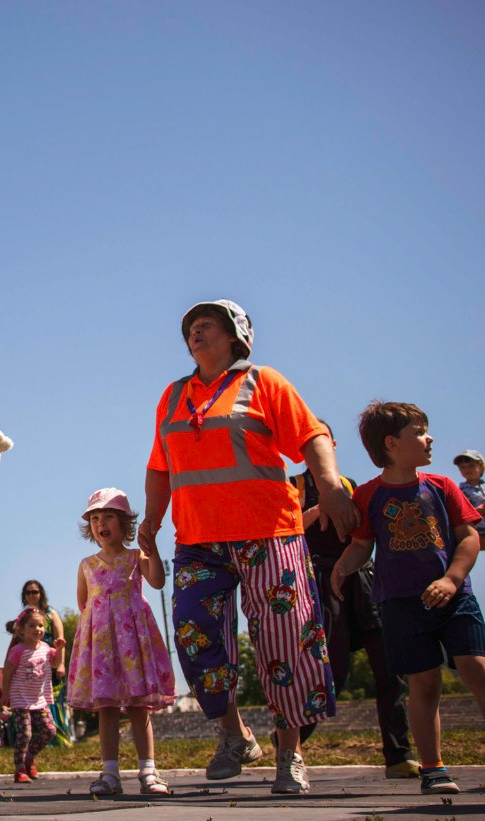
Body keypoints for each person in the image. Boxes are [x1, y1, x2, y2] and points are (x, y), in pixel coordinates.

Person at [139, 299, 358, 796]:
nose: (196, 332)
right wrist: (151, 521)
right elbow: (160, 465)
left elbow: (311, 433)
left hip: (268, 533)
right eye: (191, 327)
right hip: (198, 539)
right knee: (194, 637)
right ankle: (234, 734)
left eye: (207, 325)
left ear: (236, 335)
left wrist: (327, 483)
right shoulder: (173, 397)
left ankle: (290, 754)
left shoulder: (264, 382)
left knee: (283, 641)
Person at [332, 401, 485, 795]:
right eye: (420, 431)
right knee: (424, 683)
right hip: (400, 604)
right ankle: (434, 767)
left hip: (455, 598)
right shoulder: (369, 495)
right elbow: (362, 545)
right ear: (392, 443)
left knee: (480, 670)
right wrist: (341, 568)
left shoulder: (442, 486)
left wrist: (453, 579)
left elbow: (469, 537)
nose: (430, 438)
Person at [291, 423, 417, 778]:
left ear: (331, 444)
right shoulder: (294, 486)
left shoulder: (352, 486)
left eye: (323, 440)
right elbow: (281, 532)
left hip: (363, 579)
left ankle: (399, 755)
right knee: (334, 670)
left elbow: (367, 533)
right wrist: (318, 511)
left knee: (390, 669)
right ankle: (290, 741)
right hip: (320, 581)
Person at [68, 487, 176, 795]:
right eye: (96, 518)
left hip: (132, 643)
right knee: (108, 708)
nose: (101, 523)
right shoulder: (86, 565)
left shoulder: (135, 557)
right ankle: (110, 773)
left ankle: (149, 771)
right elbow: (84, 604)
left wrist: (151, 547)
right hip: (103, 647)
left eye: (109, 517)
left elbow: (156, 581)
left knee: (138, 706)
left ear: (124, 523)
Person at [0, 607, 64, 783]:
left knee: (49, 730)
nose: (38, 629)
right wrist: (6, 694)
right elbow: (8, 672)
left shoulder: (46, 648)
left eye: (41, 626)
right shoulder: (18, 651)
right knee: (25, 733)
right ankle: (19, 769)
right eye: (32, 625)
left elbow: (56, 663)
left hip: (39, 699)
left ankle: (30, 757)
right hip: (21, 699)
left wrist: (60, 649)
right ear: (22, 629)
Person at [454, 450, 485, 596]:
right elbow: (462, 511)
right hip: (482, 527)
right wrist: (478, 510)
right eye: (463, 467)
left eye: (471, 466)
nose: (467, 470)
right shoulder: (461, 490)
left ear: (481, 467)